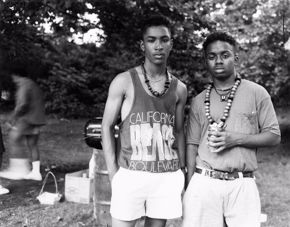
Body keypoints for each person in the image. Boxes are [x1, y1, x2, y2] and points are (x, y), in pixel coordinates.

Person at [183, 32, 281, 227]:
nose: (218, 61)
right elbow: (192, 145)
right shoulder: (199, 100)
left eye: (225, 55)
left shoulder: (256, 92)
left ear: (235, 57)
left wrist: (235, 139)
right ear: (206, 61)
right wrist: (189, 187)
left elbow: (274, 136)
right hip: (204, 182)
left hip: (242, 183)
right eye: (212, 56)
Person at [102, 15, 187, 227]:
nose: (158, 46)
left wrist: (183, 170)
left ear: (171, 44)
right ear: (142, 45)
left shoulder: (179, 88)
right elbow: (106, 126)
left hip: (166, 175)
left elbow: (178, 131)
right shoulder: (124, 81)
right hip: (131, 173)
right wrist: (113, 172)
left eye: (164, 39)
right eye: (151, 40)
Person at [0, 74, 46, 181]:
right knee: (32, 144)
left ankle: (18, 170)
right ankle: (36, 172)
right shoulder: (32, 84)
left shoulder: (24, 84)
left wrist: (12, 117)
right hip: (38, 118)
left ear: (16, 75)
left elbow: (22, 104)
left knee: (14, 137)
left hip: (28, 118)